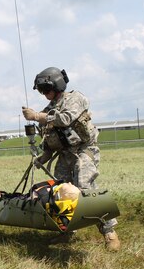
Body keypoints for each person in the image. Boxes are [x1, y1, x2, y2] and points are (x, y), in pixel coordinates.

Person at [22, 67, 120, 251]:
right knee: (60, 191)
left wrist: (36, 116)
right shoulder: (48, 109)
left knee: (85, 187)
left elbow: (65, 119)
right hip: (66, 154)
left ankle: (109, 233)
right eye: (41, 91)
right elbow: (50, 140)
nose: (44, 94)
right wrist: (43, 158)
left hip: (84, 150)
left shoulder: (75, 98)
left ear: (57, 85)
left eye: (46, 89)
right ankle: (66, 232)